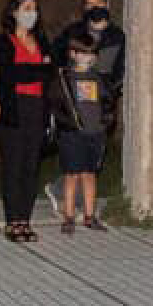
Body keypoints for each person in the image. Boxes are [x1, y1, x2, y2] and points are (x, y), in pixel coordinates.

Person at [0, 0, 51, 242]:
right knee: (13, 166)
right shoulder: (4, 42)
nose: (31, 13)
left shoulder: (41, 40)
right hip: (14, 109)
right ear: (14, 12)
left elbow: (50, 73)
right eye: (26, 8)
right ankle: (12, 221)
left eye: (34, 8)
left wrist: (32, 71)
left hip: (37, 108)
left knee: (31, 166)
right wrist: (38, 69)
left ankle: (25, 220)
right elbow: (10, 75)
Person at [48, 31, 114, 233]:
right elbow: (55, 106)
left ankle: (89, 215)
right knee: (72, 175)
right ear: (73, 54)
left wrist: (106, 122)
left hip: (95, 134)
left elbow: (108, 103)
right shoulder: (64, 79)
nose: (88, 57)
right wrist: (69, 125)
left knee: (90, 174)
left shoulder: (98, 78)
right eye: (83, 53)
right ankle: (68, 217)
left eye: (92, 53)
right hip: (72, 134)